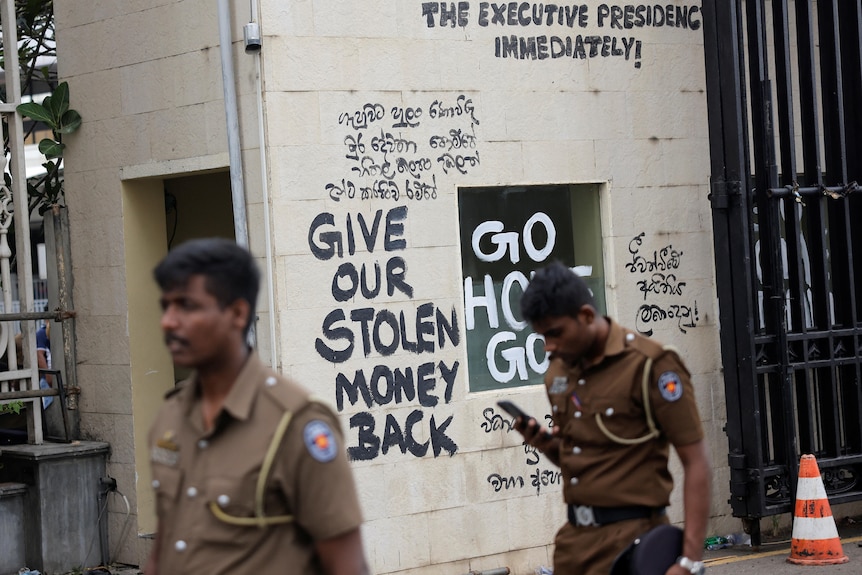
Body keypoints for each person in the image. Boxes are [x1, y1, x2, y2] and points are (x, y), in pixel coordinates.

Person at [145, 238, 369, 575]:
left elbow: (346, 565)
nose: (169, 322)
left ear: (237, 313)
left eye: (187, 306)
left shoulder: (296, 424)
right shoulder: (170, 416)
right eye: (167, 306)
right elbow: (165, 549)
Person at [514, 262, 711, 575]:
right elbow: (581, 459)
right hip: (573, 546)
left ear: (587, 316)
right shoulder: (558, 373)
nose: (549, 346)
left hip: (633, 544)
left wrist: (688, 561)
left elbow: (696, 461)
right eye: (542, 336)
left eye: (555, 333)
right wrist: (546, 445)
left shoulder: (651, 365)